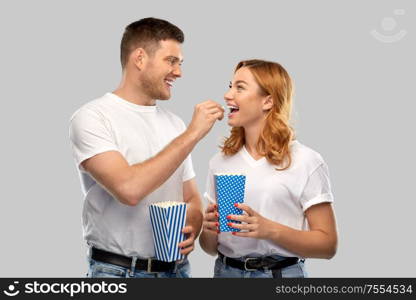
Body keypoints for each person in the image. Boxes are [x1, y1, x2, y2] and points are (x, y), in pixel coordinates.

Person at [69, 17, 224, 278]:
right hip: (117, 272)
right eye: (171, 61)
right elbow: (129, 190)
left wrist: (193, 227)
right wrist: (194, 133)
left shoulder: (174, 124)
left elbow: (190, 198)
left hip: (176, 271)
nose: (179, 72)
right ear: (139, 58)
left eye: (180, 63)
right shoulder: (92, 117)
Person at [199, 59, 338, 278]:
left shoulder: (305, 160)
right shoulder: (219, 161)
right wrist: (207, 230)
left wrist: (268, 230)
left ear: (268, 101)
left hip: (281, 275)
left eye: (240, 87)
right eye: (230, 86)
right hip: (225, 273)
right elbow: (209, 248)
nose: (227, 95)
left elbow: (328, 245)